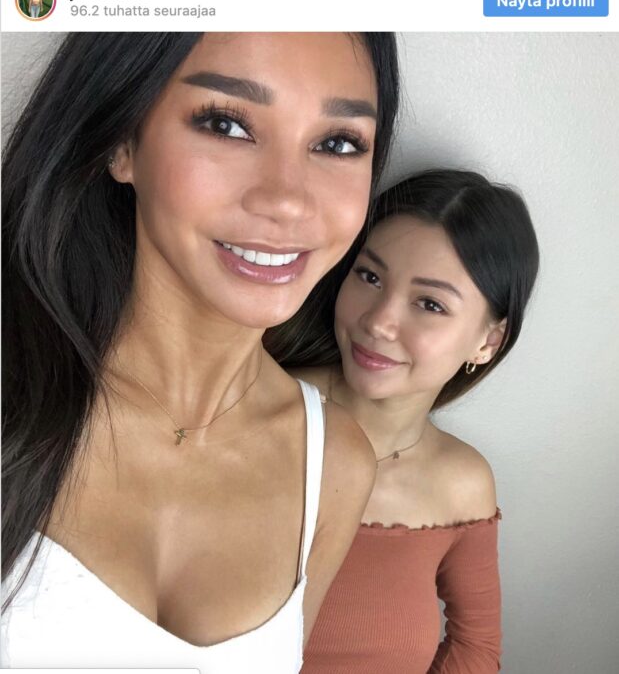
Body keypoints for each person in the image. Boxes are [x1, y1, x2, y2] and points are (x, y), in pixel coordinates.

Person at [1, 33, 399, 671]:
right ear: (121, 142)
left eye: (337, 143)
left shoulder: (335, 466)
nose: (287, 199)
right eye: (226, 124)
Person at [268, 169, 539, 672]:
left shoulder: (463, 483)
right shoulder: (255, 409)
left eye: (430, 303)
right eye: (369, 277)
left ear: (488, 342)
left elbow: (475, 647)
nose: (378, 321)